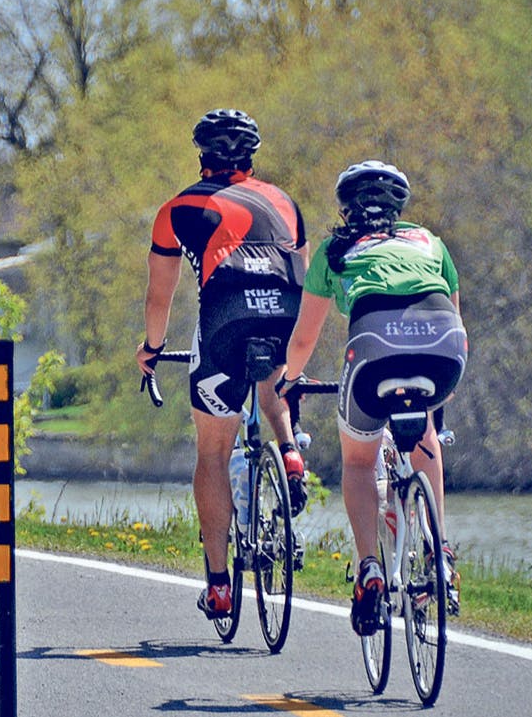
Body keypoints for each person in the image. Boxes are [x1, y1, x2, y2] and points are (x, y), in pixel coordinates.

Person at [276, 160, 467, 635]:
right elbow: (457, 316)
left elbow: (303, 340)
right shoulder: (430, 242)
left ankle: (369, 570)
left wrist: (287, 381)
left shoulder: (334, 250)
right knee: (426, 437)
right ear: (400, 206)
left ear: (346, 208)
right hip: (445, 349)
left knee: (360, 462)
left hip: (374, 351)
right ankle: (440, 554)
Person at [136, 109, 311, 621]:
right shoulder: (284, 201)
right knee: (272, 377)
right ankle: (291, 453)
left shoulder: (178, 208)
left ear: (201, 157)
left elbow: (158, 297)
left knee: (213, 452)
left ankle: (218, 586)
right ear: (251, 158)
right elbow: (301, 278)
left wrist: (151, 347)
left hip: (225, 319)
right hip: (286, 319)